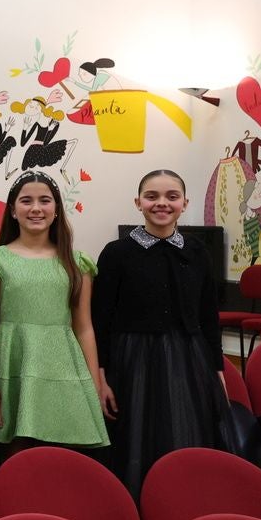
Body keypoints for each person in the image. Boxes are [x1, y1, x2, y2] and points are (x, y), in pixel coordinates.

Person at [93, 169, 236, 494]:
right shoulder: (117, 253)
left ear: (185, 203)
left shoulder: (197, 252)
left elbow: (208, 316)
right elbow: (101, 319)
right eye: (152, 196)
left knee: (186, 427)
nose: (162, 203)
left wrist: (217, 369)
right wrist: (101, 375)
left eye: (171, 196)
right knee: (138, 433)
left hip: (188, 358)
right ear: (138, 202)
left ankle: (183, 496)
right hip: (132, 360)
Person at [0, 171, 114, 450]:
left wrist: (94, 383)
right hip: (13, 363)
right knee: (17, 452)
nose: (36, 208)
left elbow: (84, 327)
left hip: (64, 366)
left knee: (64, 456)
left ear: (57, 210)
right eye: (26, 201)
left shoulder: (77, 263)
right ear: (13, 210)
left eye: (45, 201)